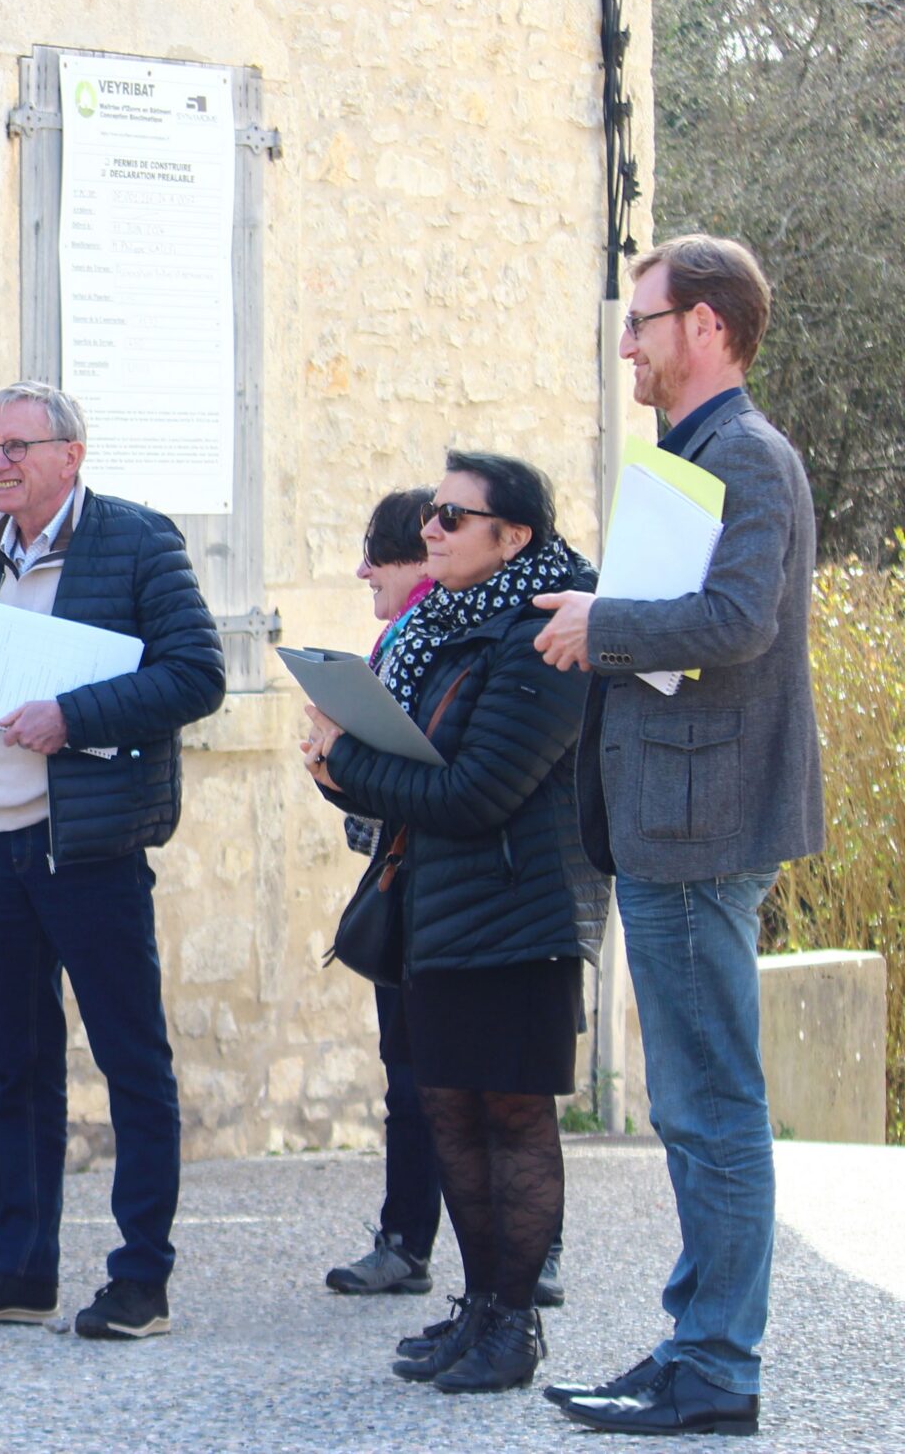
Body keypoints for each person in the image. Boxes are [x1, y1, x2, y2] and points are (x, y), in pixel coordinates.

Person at [531, 236, 820, 1438]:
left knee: (711, 1106)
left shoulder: (745, 456)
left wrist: (601, 624)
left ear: (705, 326)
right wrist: (594, 609)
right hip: (667, 820)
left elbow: (736, 621)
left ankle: (717, 1368)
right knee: (694, 1104)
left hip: (701, 827)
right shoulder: (692, 454)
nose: (626, 346)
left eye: (641, 322)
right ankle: (696, 1345)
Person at [0, 384, 225, 1340]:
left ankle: (141, 1279)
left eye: (17, 446)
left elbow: (198, 674)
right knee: (11, 1067)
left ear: (71, 454)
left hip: (89, 847)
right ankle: (21, 1269)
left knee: (131, 1062)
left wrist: (72, 714)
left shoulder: (136, 542)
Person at [302, 451, 607, 1395]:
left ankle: (515, 1324)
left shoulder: (545, 632)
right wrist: (339, 768)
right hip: (437, 907)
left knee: (512, 1121)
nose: (428, 530)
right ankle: (478, 1305)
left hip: (521, 916)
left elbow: (477, 792)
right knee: (452, 1116)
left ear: (511, 537)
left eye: (450, 517)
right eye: (432, 513)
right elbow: (417, 775)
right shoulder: (443, 624)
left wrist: (350, 764)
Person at [322, 485, 448, 1299]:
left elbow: (406, 766)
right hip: (406, 872)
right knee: (413, 1072)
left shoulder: (427, 634)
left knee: (428, 1075)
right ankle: (415, 1241)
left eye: (377, 555)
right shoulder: (403, 633)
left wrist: (342, 760)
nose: (363, 570)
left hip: (435, 880)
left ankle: (421, 1246)